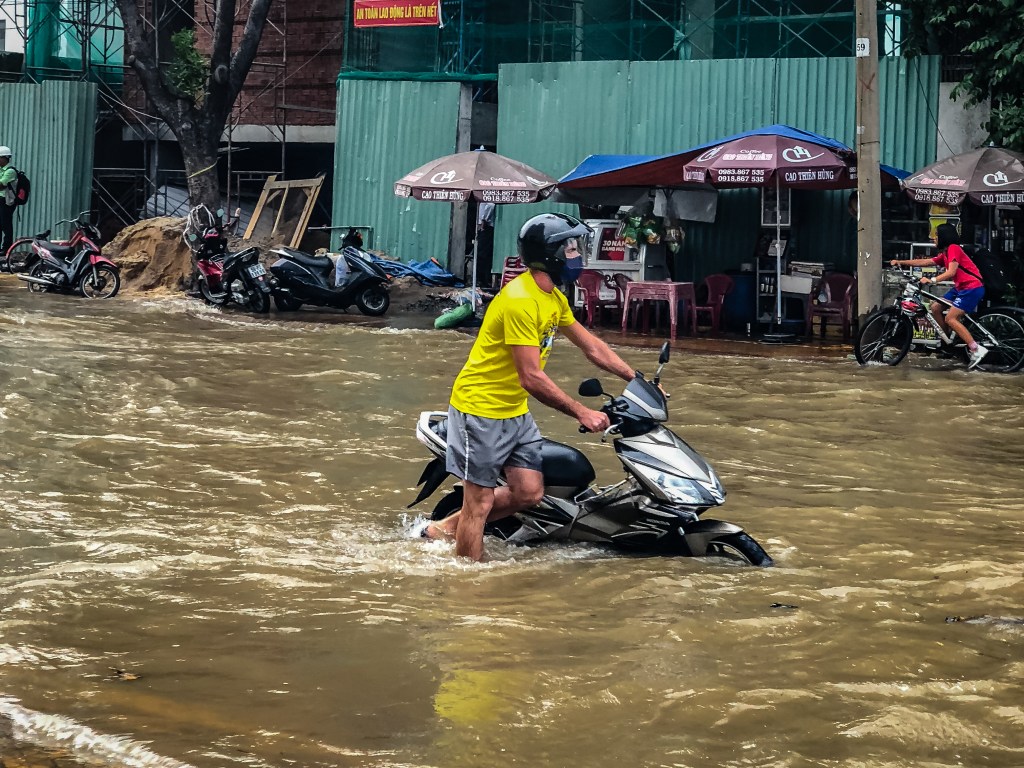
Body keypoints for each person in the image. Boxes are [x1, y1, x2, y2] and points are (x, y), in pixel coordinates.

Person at [422, 213, 638, 561]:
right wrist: (582, 411)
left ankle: (443, 529)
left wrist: (636, 378)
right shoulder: (521, 300)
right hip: (480, 409)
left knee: (529, 493)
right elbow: (531, 376)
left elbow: (591, 346)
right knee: (479, 502)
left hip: (514, 411)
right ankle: (468, 587)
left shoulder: (552, 298)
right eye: (570, 248)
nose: (576, 254)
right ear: (550, 254)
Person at [889, 222, 987, 369]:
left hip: (971, 288)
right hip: (960, 288)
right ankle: (947, 341)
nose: (934, 239)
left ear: (944, 237)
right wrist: (901, 262)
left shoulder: (954, 249)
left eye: (936, 236)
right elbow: (925, 261)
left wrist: (932, 280)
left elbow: (951, 272)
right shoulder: (946, 253)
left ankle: (976, 349)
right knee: (935, 307)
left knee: (951, 318)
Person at [0, 147, 16, 258]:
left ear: (5, 158)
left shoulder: (10, 171)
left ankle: (6, 249)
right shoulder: (1, 170)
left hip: (6, 202)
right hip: (0, 200)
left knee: (6, 226)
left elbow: (1, 185)